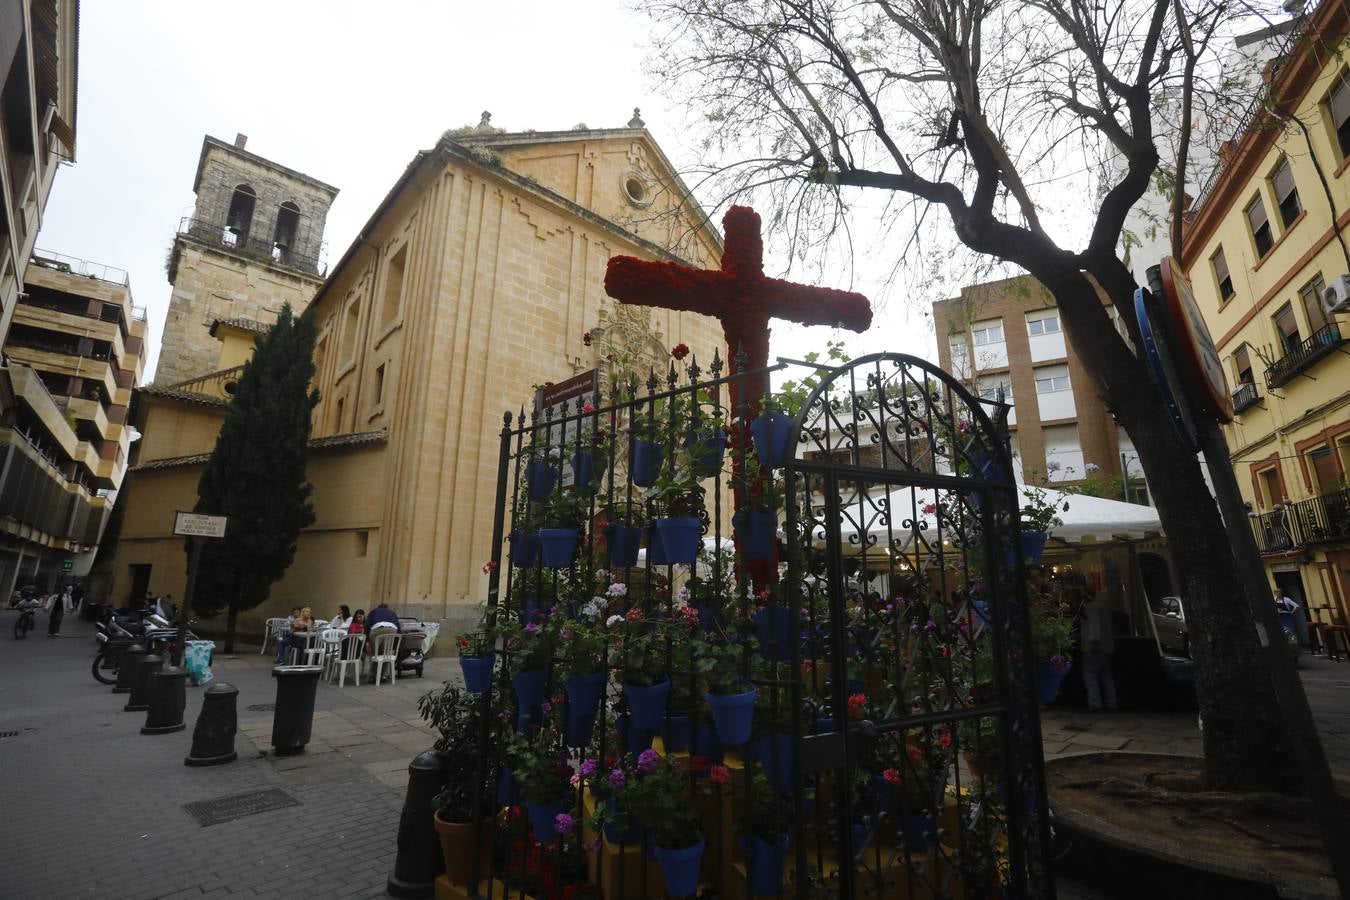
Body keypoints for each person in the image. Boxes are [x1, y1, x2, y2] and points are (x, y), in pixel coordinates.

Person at [1079, 590, 1117, 711]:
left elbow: (1094, 628)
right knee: (1106, 674)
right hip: (1105, 646)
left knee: (1089, 672)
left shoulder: (1092, 608)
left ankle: (1095, 702)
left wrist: (1090, 644)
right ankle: (1112, 702)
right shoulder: (1100, 606)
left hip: (1097, 647)